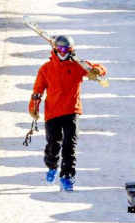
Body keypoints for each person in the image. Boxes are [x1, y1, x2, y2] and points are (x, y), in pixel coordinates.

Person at [29, 35, 106, 192]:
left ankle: (67, 176)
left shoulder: (78, 66)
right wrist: (34, 106)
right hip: (53, 112)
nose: (62, 52)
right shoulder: (46, 68)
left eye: (65, 49)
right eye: (59, 49)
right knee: (53, 144)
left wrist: (97, 71)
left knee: (69, 145)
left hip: (71, 110)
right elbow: (38, 89)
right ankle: (51, 166)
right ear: (55, 49)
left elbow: (100, 69)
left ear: (71, 50)